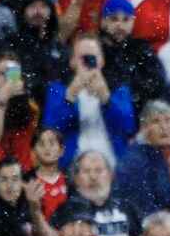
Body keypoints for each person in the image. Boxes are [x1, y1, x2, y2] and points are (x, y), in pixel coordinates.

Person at [42, 36, 137, 170]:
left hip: (113, 164)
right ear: (72, 62)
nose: (87, 62)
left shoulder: (118, 88)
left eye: (92, 57)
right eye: (83, 58)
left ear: (102, 60)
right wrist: (70, 96)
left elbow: (128, 127)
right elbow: (50, 130)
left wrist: (106, 99)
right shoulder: (58, 89)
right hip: (73, 166)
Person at [116, 100, 170, 220]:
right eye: (156, 121)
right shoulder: (133, 162)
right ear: (144, 128)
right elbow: (143, 212)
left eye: (168, 120)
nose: (164, 127)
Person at [100, 0, 166, 112]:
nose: (119, 25)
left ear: (133, 22)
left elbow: (157, 83)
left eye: (125, 19)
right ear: (103, 22)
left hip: (140, 112)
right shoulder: (96, 49)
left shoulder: (141, 48)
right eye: (114, 19)